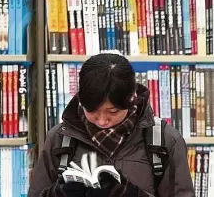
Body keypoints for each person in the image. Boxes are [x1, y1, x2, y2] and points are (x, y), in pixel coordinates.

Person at [28, 53, 195, 197]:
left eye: (112, 112)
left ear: (131, 99)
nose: (101, 121)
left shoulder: (165, 140)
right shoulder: (59, 138)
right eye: (91, 110)